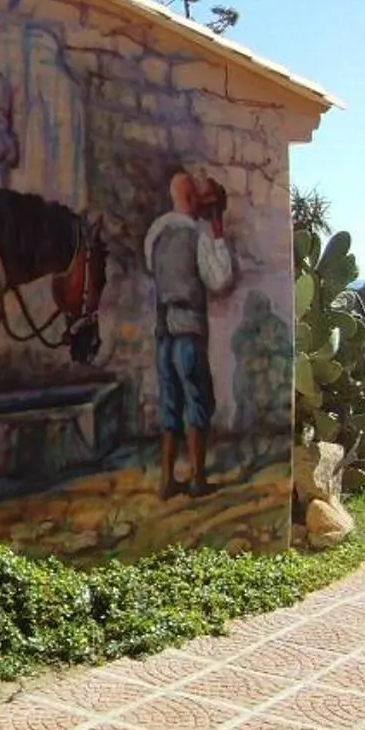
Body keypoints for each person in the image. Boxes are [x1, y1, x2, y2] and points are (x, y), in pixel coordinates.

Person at [143, 170, 236, 496]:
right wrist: (218, 230)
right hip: (189, 328)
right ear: (192, 199)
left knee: (170, 403)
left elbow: (152, 268)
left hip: (163, 330)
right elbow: (220, 280)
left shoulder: (155, 234)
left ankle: (166, 481)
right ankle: (197, 479)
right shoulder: (198, 235)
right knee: (197, 400)